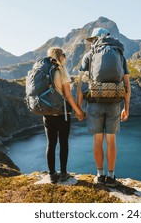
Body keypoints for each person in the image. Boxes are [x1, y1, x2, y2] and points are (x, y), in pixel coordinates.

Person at [77, 28, 131, 187]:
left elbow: (80, 84)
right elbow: (127, 85)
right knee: (111, 140)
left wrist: (78, 108)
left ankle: (100, 175)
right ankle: (112, 176)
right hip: (114, 102)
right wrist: (126, 107)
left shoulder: (90, 55)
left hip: (95, 102)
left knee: (98, 140)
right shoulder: (119, 54)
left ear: (96, 39)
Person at [44, 47, 85, 183]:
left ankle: (51, 174)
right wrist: (78, 111)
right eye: (64, 56)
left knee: (51, 143)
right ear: (61, 57)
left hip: (47, 113)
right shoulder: (61, 71)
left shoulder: (43, 71)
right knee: (63, 143)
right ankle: (63, 173)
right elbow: (67, 95)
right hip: (62, 113)